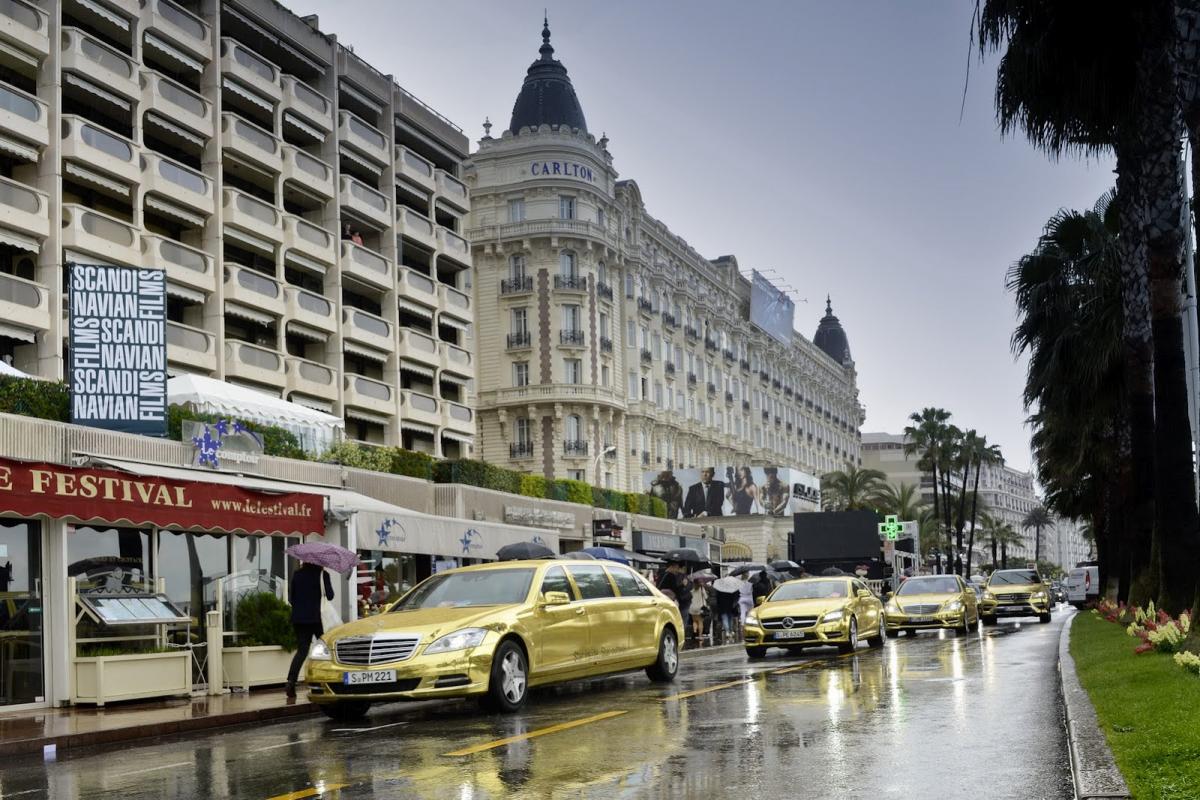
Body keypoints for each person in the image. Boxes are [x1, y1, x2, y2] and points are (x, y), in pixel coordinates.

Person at [286, 561, 334, 699]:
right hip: (318, 619)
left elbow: (291, 599)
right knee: (326, 650)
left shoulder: (297, 575)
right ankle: (324, 681)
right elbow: (330, 595)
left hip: (299, 619)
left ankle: (291, 681)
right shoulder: (323, 575)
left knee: (302, 651)